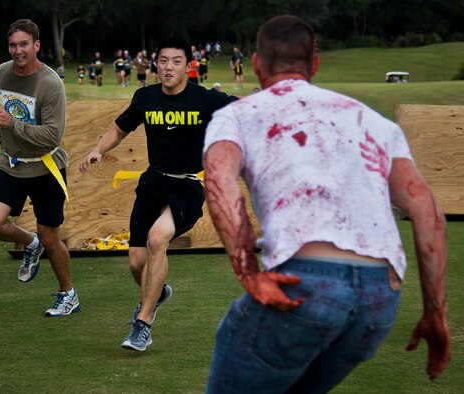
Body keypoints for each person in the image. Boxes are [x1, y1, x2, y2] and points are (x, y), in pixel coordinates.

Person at [203, 15, 450, 392]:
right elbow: (427, 212)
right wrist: (436, 312)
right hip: (380, 300)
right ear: (314, 64)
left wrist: (248, 272)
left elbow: (219, 178)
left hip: (306, 282)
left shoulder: (237, 115)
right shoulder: (374, 121)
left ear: (256, 64)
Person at [79, 36, 237, 351]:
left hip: (187, 186)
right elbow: (119, 129)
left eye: (176, 61)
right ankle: (158, 291)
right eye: (163, 61)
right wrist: (98, 149)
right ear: (156, 64)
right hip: (153, 183)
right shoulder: (145, 97)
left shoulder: (205, 99)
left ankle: (143, 323)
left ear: (188, 66)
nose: (168, 67)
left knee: (157, 239)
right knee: (137, 262)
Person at [0, 19, 80, 317]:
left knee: (51, 237)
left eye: (24, 44)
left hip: (44, 166)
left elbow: (52, 135)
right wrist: (4, 134)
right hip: (10, 163)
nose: (18, 50)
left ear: (37, 45)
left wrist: (12, 123)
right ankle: (29, 243)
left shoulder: (50, 83)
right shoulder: (1, 73)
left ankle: (68, 294)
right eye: (13, 45)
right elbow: (4, 109)